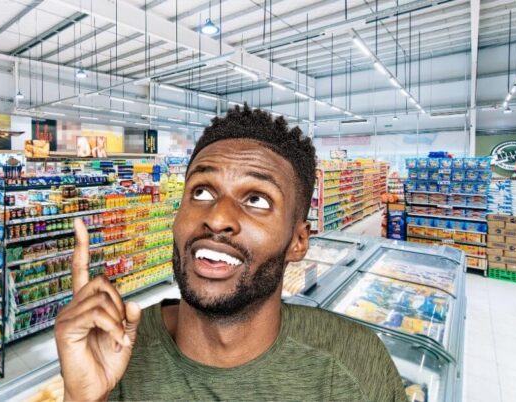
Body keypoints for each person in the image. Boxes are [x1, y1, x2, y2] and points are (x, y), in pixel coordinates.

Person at [55, 104, 407, 401]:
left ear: (298, 242)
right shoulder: (112, 356)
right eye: (202, 193)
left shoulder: (354, 365)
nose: (218, 217)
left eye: (256, 199)